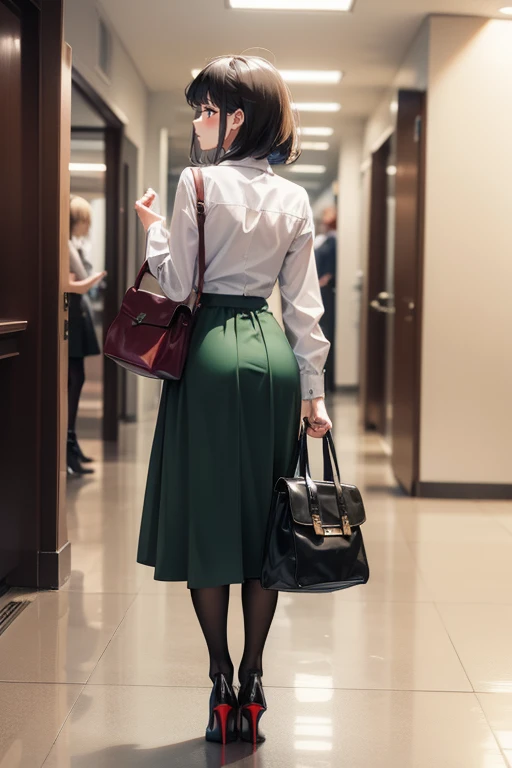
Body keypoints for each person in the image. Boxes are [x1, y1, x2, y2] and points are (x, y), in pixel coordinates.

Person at [134, 55, 331, 746]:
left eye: (206, 109)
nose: (198, 121)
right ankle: (254, 678)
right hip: (272, 354)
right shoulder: (295, 200)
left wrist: (152, 229)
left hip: (210, 352)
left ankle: (219, 679)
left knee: (211, 520)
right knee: (267, 521)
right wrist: (314, 395)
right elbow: (305, 308)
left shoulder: (196, 184)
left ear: (235, 117)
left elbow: (180, 279)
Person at [67, 197, 106, 476]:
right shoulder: (67, 245)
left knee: (77, 378)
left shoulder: (73, 244)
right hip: (75, 319)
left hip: (79, 319)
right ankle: (69, 444)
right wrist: (97, 277)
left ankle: (71, 443)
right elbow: (79, 281)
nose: (88, 226)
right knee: (75, 379)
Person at [314, 206, 337, 392]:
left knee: (325, 334)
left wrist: (322, 282)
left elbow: (330, 270)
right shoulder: (324, 240)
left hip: (325, 294)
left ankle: (327, 383)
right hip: (319, 292)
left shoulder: (333, 241)